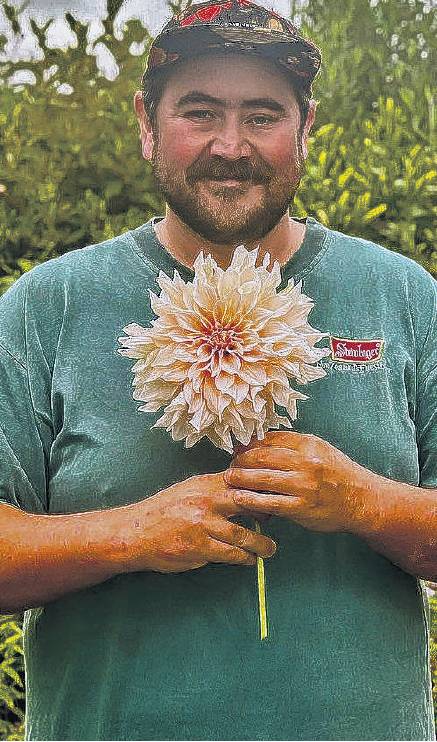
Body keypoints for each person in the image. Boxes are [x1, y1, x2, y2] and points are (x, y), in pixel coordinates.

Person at [0, 0, 436, 739]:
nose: (229, 146)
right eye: (198, 112)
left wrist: (365, 503)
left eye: (263, 115)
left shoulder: (404, 297)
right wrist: (130, 534)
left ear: (306, 128)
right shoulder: (49, 305)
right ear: (146, 123)